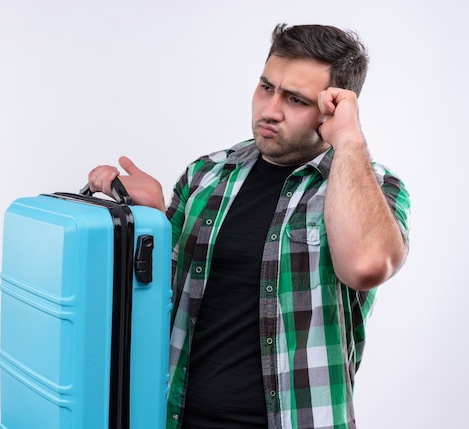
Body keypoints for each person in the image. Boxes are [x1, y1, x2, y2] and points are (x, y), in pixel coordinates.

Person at [88, 23, 410, 429]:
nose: (270, 110)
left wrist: (348, 140)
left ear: (336, 107)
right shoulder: (206, 175)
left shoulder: (375, 189)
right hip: (177, 418)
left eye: (296, 100)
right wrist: (150, 218)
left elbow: (365, 265)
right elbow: (154, 301)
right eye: (266, 87)